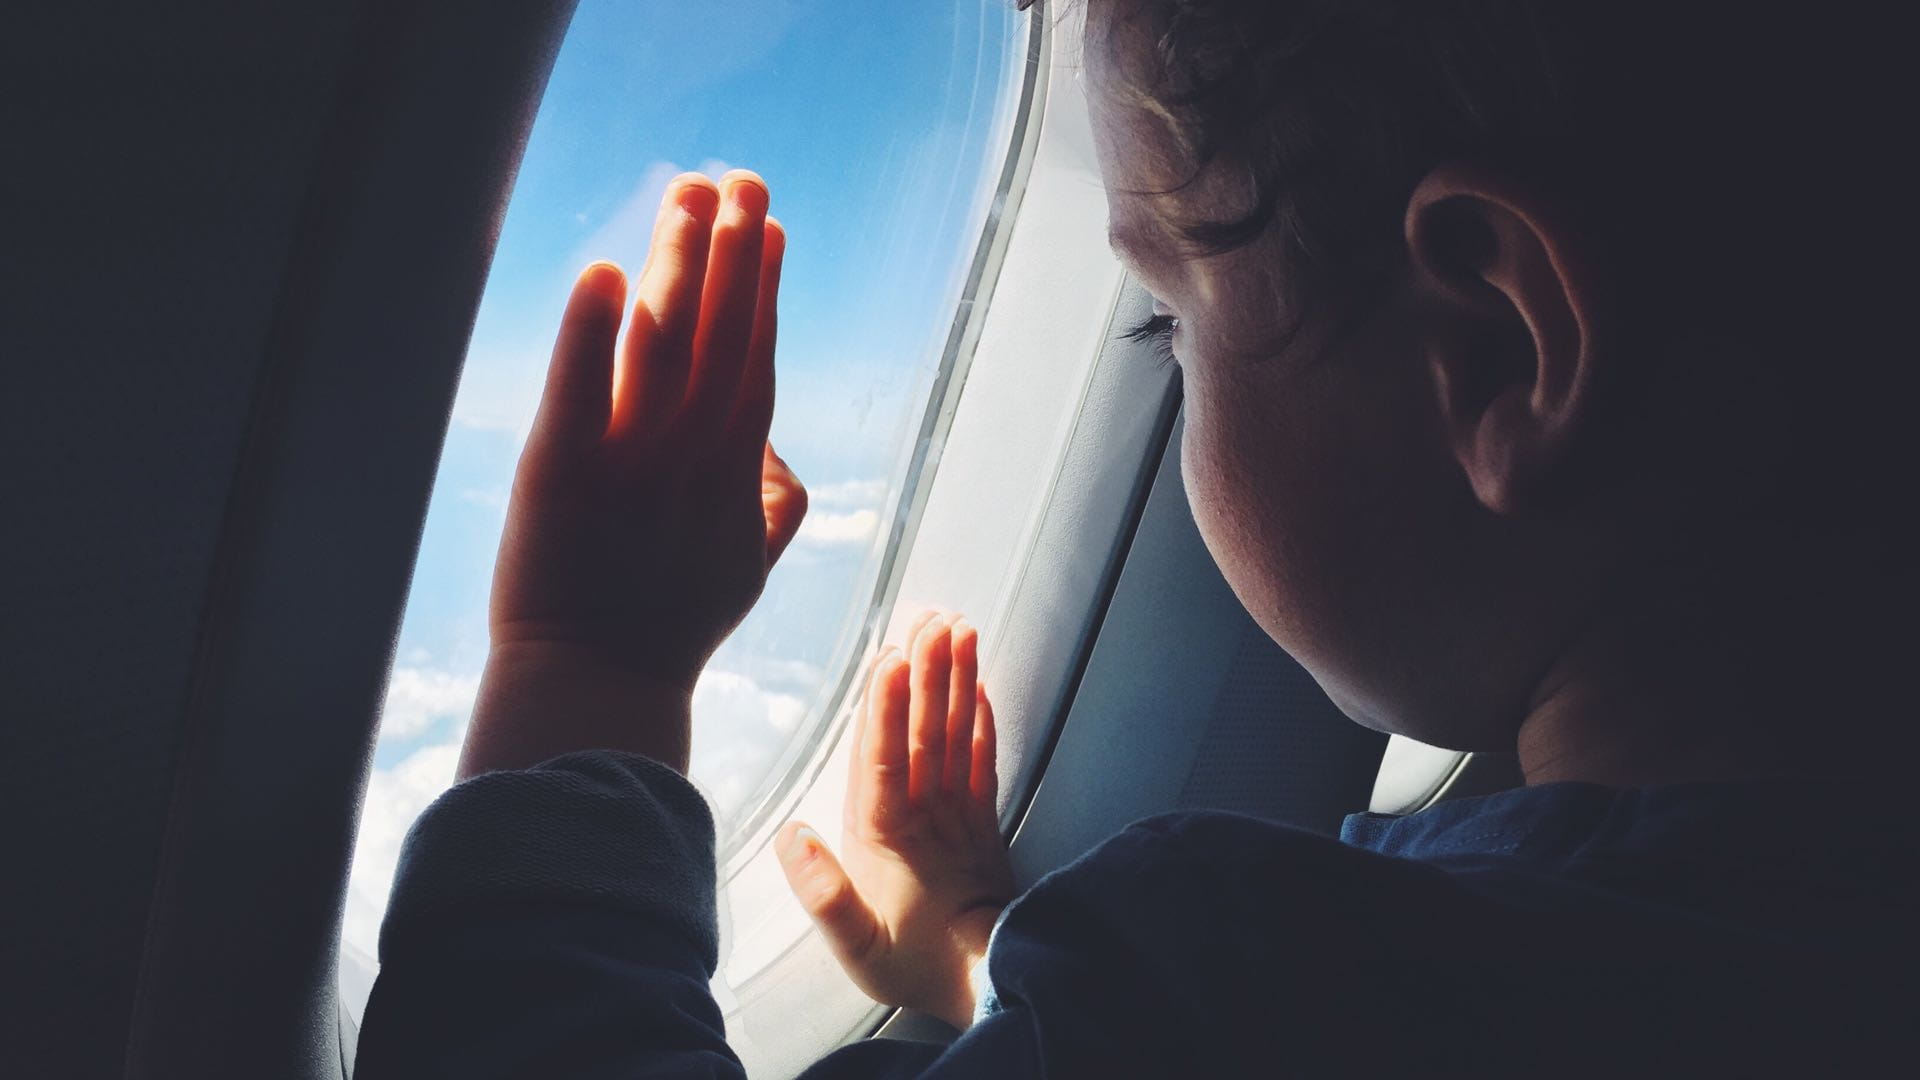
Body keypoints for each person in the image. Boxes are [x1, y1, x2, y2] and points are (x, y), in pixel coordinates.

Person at [355, 2, 1915, 1076]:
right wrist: (983, 949)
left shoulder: (1253, 992)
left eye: (1168, 324)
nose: (1166, 359)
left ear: (1501, 352)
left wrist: (589, 674)